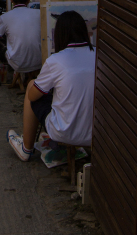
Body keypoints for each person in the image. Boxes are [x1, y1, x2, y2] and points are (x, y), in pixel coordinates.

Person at [6, 10, 95, 161]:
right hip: (95, 134)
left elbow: (33, 96)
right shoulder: (99, 55)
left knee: (32, 86)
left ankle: (26, 148)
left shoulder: (56, 60)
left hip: (63, 132)